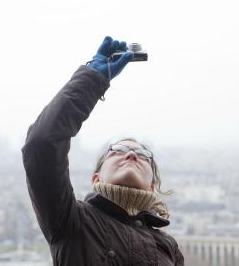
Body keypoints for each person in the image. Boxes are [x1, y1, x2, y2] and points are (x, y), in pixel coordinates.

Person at [22, 36, 184, 266]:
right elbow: (41, 145)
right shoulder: (72, 221)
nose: (131, 154)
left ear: (152, 185)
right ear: (96, 177)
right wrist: (92, 79)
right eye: (118, 150)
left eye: (143, 155)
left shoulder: (167, 246)